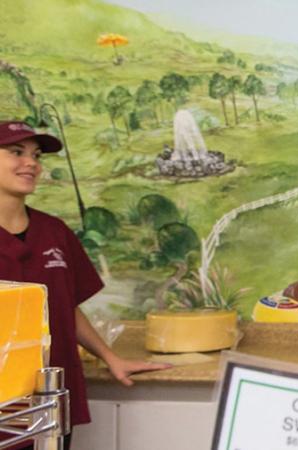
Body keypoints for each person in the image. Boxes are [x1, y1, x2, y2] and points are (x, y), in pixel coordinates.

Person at [0, 120, 171, 449]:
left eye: (36, 155)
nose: (31, 163)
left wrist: (110, 357)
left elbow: (67, 308)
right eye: (16, 152)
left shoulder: (54, 232)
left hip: (48, 401)